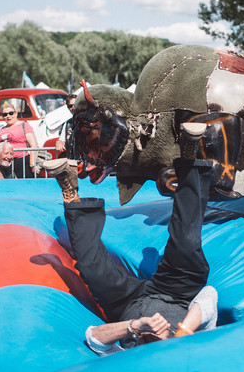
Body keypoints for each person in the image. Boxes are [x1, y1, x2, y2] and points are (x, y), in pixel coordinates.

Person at [43, 123, 218, 356]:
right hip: (177, 294)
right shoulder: (189, 346)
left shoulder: (126, 356)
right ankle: (188, 156)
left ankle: (70, 192)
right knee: (186, 242)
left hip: (126, 304)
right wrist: (183, 331)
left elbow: (93, 337)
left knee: (91, 268)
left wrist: (135, 326)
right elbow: (209, 295)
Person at [0, 102, 39, 178]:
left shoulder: (24, 125)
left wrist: (32, 164)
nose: (8, 116)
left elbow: (34, 145)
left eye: (11, 113)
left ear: (15, 114)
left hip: (21, 162)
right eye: (5, 114)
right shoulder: (2, 129)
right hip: (5, 163)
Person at [55, 93, 77, 158]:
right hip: (72, 162)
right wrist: (59, 142)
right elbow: (61, 140)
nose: (73, 108)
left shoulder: (89, 121)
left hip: (87, 163)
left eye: (75, 105)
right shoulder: (68, 124)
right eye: (70, 106)